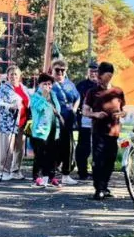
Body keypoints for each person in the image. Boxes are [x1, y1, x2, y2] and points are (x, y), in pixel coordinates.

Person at [82, 62, 125, 200]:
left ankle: (105, 186)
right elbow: (85, 110)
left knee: (110, 160)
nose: (99, 76)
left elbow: (124, 110)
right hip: (99, 131)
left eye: (107, 74)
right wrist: (95, 114)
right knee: (98, 160)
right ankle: (98, 189)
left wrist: (122, 114)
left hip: (113, 131)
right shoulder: (92, 92)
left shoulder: (118, 92)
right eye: (102, 74)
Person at [28, 73, 65, 188]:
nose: (47, 86)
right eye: (45, 84)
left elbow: (57, 109)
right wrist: (44, 97)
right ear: (39, 84)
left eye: (49, 84)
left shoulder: (53, 95)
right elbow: (40, 109)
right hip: (40, 130)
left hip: (54, 128)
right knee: (40, 154)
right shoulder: (35, 97)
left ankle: (51, 176)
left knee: (53, 154)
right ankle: (37, 177)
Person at [49, 58, 81, 185]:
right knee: (53, 147)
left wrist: (74, 109)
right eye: (57, 70)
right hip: (53, 120)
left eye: (63, 70)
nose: (60, 73)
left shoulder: (69, 84)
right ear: (52, 70)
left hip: (68, 120)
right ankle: (50, 174)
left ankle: (66, 174)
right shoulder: (48, 83)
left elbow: (77, 97)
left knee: (68, 147)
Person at [0, 66, 27, 181]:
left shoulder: (23, 88)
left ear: (19, 76)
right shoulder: (3, 88)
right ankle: (4, 171)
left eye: (16, 74)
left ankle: (15, 171)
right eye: (11, 74)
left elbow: (29, 102)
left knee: (19, 149)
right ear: (8, 76)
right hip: (8, 124)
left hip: (22, 122)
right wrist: (10, 107)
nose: (13, 76)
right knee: (7, 148)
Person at [74, 62, 100, 180]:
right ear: (88, 72)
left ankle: (97, 171)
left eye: (95, 71)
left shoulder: (103, 86)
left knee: (97, 148)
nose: (93, 74)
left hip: (99, 122)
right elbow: (75, 101)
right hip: (84, 121)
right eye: (91, 71)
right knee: (83, 148)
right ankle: (82, 172)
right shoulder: (81, 85)